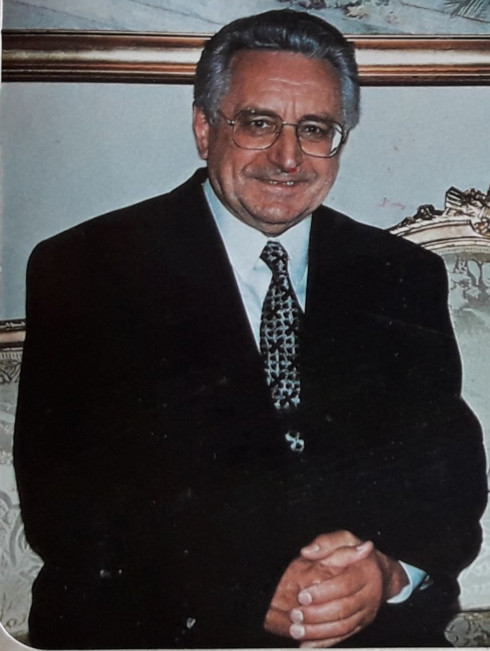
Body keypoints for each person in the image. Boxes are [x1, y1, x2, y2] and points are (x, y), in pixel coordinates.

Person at [14, 9, 487, 649]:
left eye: (314, 129)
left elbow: (448, 476)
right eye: (258, 123)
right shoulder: (89, 268)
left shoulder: (400, 273)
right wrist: (245, 587)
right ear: (204, 129)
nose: (288, 158)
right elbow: (66, 504)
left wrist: (391, 572)